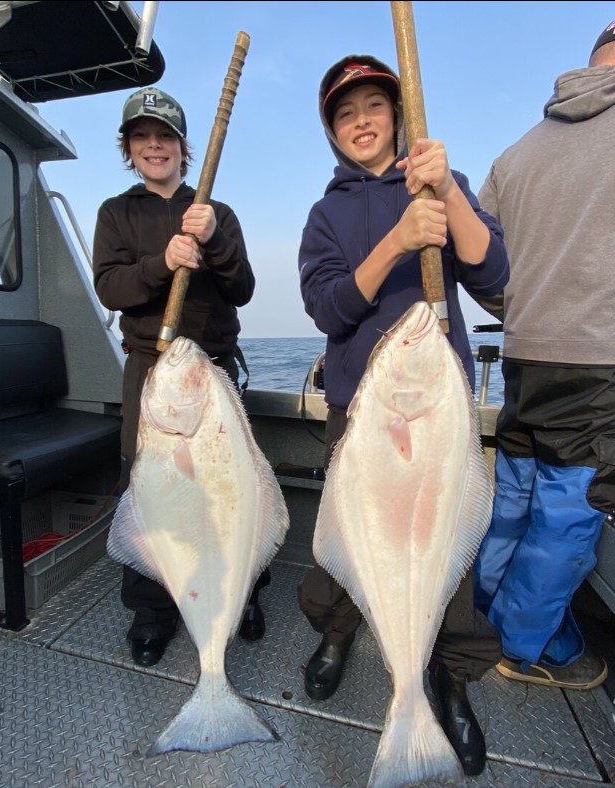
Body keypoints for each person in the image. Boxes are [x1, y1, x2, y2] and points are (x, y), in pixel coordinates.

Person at [297, 55, 509, 776]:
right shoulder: (325, 215)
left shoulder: (438, 181)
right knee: (348, 542)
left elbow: (493, 274)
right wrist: (397, 240)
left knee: (446, 555)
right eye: (344, 112)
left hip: (436, 414)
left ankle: (447, 677)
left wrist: (444, 193)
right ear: (332, 130)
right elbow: (328, 310)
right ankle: (337, 633)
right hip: (359, 411)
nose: (360, 121)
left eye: (373, 106)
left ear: (396, 114)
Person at [93, 86, 270, 668]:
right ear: (128, 149)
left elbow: (243, 288)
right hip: (151, 369)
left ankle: (243, 591)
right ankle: (152, 611)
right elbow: (110, 287)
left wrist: (213, 239)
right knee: (146, 487)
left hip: (214, 369)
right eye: (141, 137)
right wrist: (162, 263)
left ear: (183, 146)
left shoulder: (217, 212)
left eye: (164, 136)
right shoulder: (116, 213)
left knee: (236, 488)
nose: (154, 146)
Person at [472, 21, 615, 691]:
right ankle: (525, 644)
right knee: (565, 515)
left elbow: (481, 262)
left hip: (523, 357)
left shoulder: (515, 154)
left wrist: (525, 315)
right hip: (597, 362)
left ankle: (481, 612)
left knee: (515, 499)